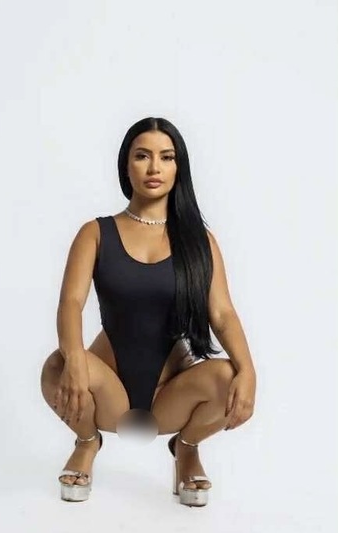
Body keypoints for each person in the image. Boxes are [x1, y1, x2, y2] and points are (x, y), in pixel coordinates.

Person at [40, 116, 256, 507]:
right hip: (107, 394)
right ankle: (86, 442)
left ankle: (186, 448)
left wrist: (249, 370)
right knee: (56, 365)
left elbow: (222, 313)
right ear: (126, 165)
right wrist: (74, 358)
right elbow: (71, 303)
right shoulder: (96, 233)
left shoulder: (200, 241)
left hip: (169, 398)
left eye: (166, 157)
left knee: (229, 376)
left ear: (178, 167)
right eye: (142, 156)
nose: (154, 167)